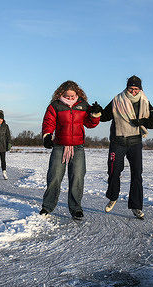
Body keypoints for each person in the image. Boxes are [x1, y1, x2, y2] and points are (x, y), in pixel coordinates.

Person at [39, 80, 102, 220]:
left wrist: (95, 115)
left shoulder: (83, 105)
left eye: (72, 96)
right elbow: (49, 122)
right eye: (67, 96)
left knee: (77, 178)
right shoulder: (55, 106)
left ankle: (76, 208)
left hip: (77, 147)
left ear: (77, 94)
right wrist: (47, 136)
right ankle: (47, 206)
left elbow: (90, 124)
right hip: (59, 146)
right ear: (61, 94)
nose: (70, 99)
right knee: (54, 177)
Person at [100, 75, 153, 219]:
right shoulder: (117, 100)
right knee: (114, 172)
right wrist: (96, 111)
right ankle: (113, 197)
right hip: (118, 141)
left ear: (140, 89)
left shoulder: (145, 102)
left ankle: (136, 206)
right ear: (127, 88)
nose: (133, 91)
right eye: (131, 88)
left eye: (136, 89)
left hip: (135, 143)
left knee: (137, 175)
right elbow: (104, 116)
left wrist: (142, 121)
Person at [0, 110, 12, 180]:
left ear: (3, 119)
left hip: (3, 144)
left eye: (1, 119)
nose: (0, 120)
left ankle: (4, 172)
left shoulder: (6, 126)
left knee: (3, 159)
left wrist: (9, 143)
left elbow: (8, 135)